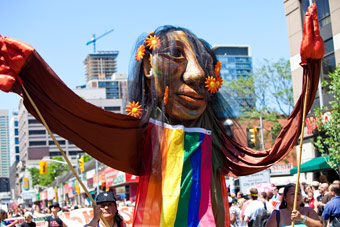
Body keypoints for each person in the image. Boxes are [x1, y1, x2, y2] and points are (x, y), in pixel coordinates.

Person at [0, 3, 324, 226]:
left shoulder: (218, 143)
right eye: (175, 56)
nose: (197, 75)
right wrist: (31, 73)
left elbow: (273, 151)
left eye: (205, 65)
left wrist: (311, 69)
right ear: (147, 66)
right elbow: (79, 118)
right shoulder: (143, 137)